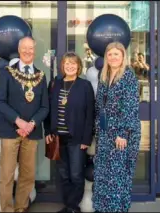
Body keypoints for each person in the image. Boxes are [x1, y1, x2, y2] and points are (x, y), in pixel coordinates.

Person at [0, 36, 49, 212]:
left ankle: (20, 208)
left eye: (30, 48)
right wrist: (18, 121)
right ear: (19, 50)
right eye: (24, 48)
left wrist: (31, 124)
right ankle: (7, 210)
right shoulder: (7, 73)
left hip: (31, 133)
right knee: (7, 175)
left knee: (28, 175)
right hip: (10, 131)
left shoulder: (40, 76)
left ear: (35, 51)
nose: (27, 51)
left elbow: (45, 107)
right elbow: (0, 102)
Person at [93, 42, 141, 212]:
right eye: (110, 54)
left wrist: (122, 133)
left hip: (122, 134)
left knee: (118, 176)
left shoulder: (128, 76)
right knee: (103, 174)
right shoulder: (104, 75)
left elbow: (130, 107)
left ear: (123, 57)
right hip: (105, 132)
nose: (113, 57)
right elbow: (99, 105)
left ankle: (117, 209)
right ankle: (103, 208)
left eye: (116, 54)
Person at [44, 52, 95, 213]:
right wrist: (48, 131)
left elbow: (90, 114)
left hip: (77, 138)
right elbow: (48, 110)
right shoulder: (55, 84)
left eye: (73, 63)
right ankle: (68, 206)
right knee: (64, 175)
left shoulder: (84, 86)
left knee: (76, 175)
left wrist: (86, 139)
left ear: (78, 66)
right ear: (63, 66)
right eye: (67, 63)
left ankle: (73, 207)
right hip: (58, 138)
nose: (70, 66)